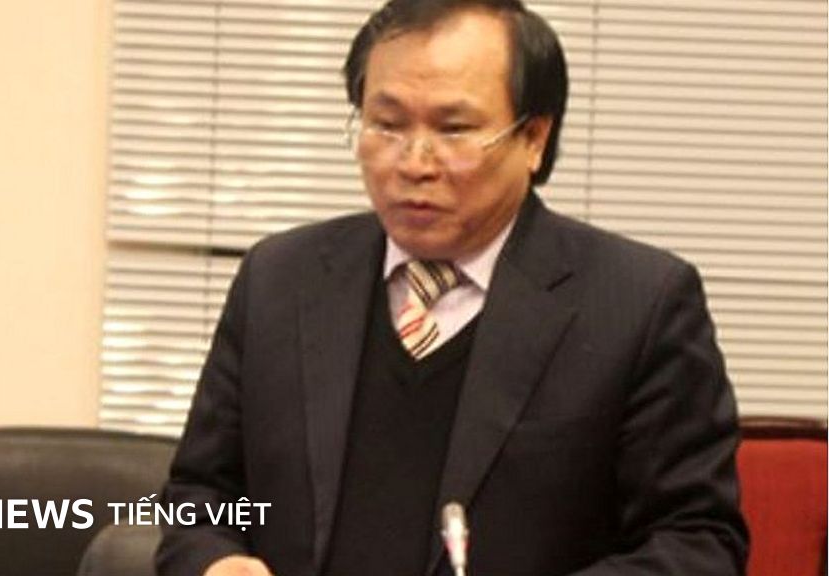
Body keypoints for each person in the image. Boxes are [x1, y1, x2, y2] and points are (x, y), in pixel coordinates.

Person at [156, 0, 748, 574]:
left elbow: (698, 543)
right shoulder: (280, 279)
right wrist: (216, 562)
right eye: (387, 125)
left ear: (534, 139)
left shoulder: (637, 305)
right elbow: (198, 498)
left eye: (454, 129)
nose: (414, 163)